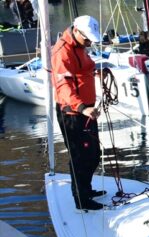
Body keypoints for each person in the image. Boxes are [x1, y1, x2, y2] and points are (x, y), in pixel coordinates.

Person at [51, 15, 104, 211]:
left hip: (87, 111)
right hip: (73, 114)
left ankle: (86, 190)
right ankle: (81, 200)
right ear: (76, 31)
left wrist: (99, 73)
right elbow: (63, 85)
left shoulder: (80, 46)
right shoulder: (62, 52)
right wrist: (83, 108)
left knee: (94, 154)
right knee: (80, 156)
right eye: (87, 38)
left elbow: (83, 70)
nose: (90, 42)